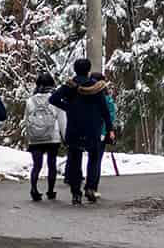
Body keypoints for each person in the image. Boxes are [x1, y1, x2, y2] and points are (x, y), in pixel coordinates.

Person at [49, 58, 115, 205]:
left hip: (74, 127)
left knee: (74, 158)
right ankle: (90, 187)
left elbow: (53, 99)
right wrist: (109, 127)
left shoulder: (70, 86)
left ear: (75, 69)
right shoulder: (96, 87)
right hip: (93, 127)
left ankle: (75, 192)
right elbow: (105, 111)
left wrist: (68, 107)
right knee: (93, 157)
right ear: (88, 70)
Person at [25, 72, 66, 201]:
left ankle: (34, 189)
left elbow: (26, 120)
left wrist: (29, 137)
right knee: (51, 164)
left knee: (37, 165)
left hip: (35, 138)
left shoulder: (30, 101)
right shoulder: (55, 99)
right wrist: (65, 137)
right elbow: (62, 119)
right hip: (52, 136)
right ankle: (50, 190)